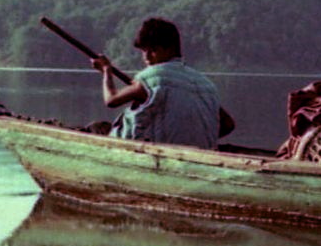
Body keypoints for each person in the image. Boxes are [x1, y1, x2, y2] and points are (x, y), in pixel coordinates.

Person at [91, 17, 233, 148]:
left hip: (161, 153)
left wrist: (106, 72)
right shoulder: (205, 82)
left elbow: (111, 100)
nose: (146, 57)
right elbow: (228, 125)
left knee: (95, 129)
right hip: (200, 154)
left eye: (153, 50)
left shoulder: (152, 76)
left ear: (170, 49)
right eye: (143, 50)